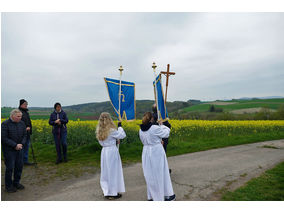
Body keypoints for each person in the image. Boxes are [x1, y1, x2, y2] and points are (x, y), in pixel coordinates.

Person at [139, 112, 175, 201]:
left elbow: (147, 139)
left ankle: (151, 196)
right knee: (160, 173)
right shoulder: (154, 128)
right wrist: (162, 125)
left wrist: (157, 140)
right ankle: (165, 195)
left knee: (150, 175)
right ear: (151, 119)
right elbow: (166, 133)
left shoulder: (140, 130)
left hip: (146, 152)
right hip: (156, 151)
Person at [96, 112, 126, 200]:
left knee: (106, 172)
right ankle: (113, 193)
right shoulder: (111, 130)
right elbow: (122, 135)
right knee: (113, 171)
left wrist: (115, 141)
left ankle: (107, 191)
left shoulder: (99, 130)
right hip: (112, 151)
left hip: (104, 151)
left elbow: (104, 140)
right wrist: (120, 126)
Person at [1, 109, 27, 193]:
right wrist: (15, 145)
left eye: (21, 116)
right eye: (18, 116)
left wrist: (21, 144)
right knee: (10, 168)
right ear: (12, 116)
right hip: (9, 150)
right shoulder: (5, 124)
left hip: (20, 149)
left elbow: (25, 135)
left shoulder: (22, 123)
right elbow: (3, 138)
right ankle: (8, 186)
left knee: (19, 167)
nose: (20, 118)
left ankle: (16, 183)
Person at [152, 104, 172, 173]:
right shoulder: (162, 118)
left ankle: (155, 169)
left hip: (153, 141)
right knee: (162, 156)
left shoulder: (150, 118)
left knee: (155, 156)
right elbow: (169, 126)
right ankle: (163, 170)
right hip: (162, 140)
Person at [18, 99, 34, 165]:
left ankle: (25, 161)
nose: (26, 105)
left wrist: (30, 129)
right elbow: (18, 123)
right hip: (21, 134)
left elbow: (28, 122)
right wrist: (25, 128)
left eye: (27, 104)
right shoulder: (19, 112)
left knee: (26, 147)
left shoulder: (26, 112)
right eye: (25, 104)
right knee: (22, 147)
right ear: (21, 104)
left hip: (27, 133)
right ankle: (20, 161)